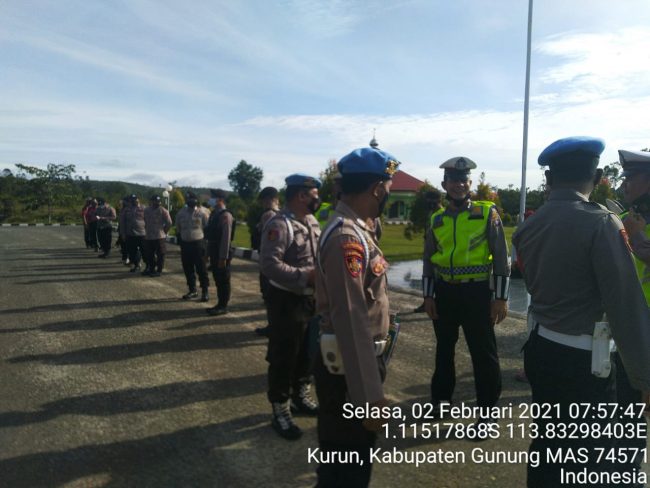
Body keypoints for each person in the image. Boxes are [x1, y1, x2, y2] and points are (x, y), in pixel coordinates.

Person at [513, 137, 650, 487]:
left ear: (549, 177)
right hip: (586, 361)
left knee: (549, 444)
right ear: (599, 176)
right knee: (591, 455)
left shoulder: (529, 226)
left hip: (542, 349)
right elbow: (624, 306)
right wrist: (644, 379)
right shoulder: (602, 223)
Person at [314, 147, 399, 487]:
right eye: (388, 188)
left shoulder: (357, 229)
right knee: (349, 465)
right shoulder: (347, 238)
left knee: (342, 462)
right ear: (377, 189)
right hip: (348, 373)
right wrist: (368, 397)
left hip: (350, 365)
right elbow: (350, 318)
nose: (389, 194)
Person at [422, 156, 510, 421]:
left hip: (477, 293)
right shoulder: (436, 219)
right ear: (444, 184)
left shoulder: (486, 214)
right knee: (444, 350)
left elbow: (501, 257)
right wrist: (428, 296)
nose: (458, 184)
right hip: (444, 293)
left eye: (463, 180)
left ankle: (487, 413)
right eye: (453, 180)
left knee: (483, 354)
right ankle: (441, 401)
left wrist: (501, 298)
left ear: (470, 183)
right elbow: (428, 260)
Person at [259, 174, 321, 440]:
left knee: (307, 353)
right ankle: (280, 408)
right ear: (301, 196)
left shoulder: (312, 222)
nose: (318, 199)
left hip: (310, 299)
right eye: (315, 194)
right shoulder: (279, 224)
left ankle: (300, 395)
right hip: (286, 300)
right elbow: (269, 265)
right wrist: (305, 276)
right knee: (284, 355)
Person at [615, 148, 650, 481]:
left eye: (631, 178)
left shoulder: (632, 223)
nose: (624, 184)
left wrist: (636, 236)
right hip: (628, 326)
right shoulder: (624, 218)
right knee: (626, 409)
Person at [253, 186, 280, 336]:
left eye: (264, 200)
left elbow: (267, 239)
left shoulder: (269, 215)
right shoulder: (281, 214)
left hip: (268, 260)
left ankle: (272, 326)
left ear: (271, 200)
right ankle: (274, 325)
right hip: (275, 260)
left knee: (269, 295)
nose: (263, 204)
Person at [175, 191, 210, 301]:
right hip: (185, 244)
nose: (189, 201)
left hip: (198, 244)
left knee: (201, 269)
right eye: (187, 199)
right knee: (188, 268)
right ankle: (192, 290)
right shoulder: (180, 213)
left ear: (196, 200)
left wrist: (206, 245)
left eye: (191, 199)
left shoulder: (203, 212)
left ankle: (205, 291)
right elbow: (178, 228)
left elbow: (207, 228)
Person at [413, 189, 444, 313]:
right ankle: (427, 301)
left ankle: (434, 303)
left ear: (439, 200)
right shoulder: (431, 213)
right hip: (429, 249)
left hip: (438, 253)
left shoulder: (442, 215)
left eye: (433, 200)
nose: (430, 203)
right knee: (428, 275)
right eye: (428, 200)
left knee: (436, 278)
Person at [205, 189, 235, 315]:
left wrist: (223, 258)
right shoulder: (214, 214)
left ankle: (223, 306)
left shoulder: (225, 215)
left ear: (220, 200)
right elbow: (210, 237)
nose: (210, 199)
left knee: (223, 280)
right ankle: (219, 304)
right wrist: (207, 254)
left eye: (213, 197)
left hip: (221, 252)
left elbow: (226, 239)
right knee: (218, 279)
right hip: (214, 250)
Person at [143, 194, 172, 277]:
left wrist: (164, 231)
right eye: (155, 201)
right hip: (149, 236)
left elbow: (169, 223)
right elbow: (144, 221)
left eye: (158, 201)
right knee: (149, 254)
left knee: (160, 254)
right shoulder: (146, 210)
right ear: (151, 201)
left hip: (159, 236)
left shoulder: (163, 211)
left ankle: (159, 270)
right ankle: (151, 269)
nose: (157, 203)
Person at [119, 194, 146, 272]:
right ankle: (136, 265)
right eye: (132, 200)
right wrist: (123, 234)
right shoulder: (126, 210)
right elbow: (122, 223)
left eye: (135, 199)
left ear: (138, 199)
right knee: (132, 251)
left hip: (142, 234)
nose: (134, 201)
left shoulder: (144, 208)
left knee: (145, 251)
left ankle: (148, 266)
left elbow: (149, 220)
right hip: (130, 234)